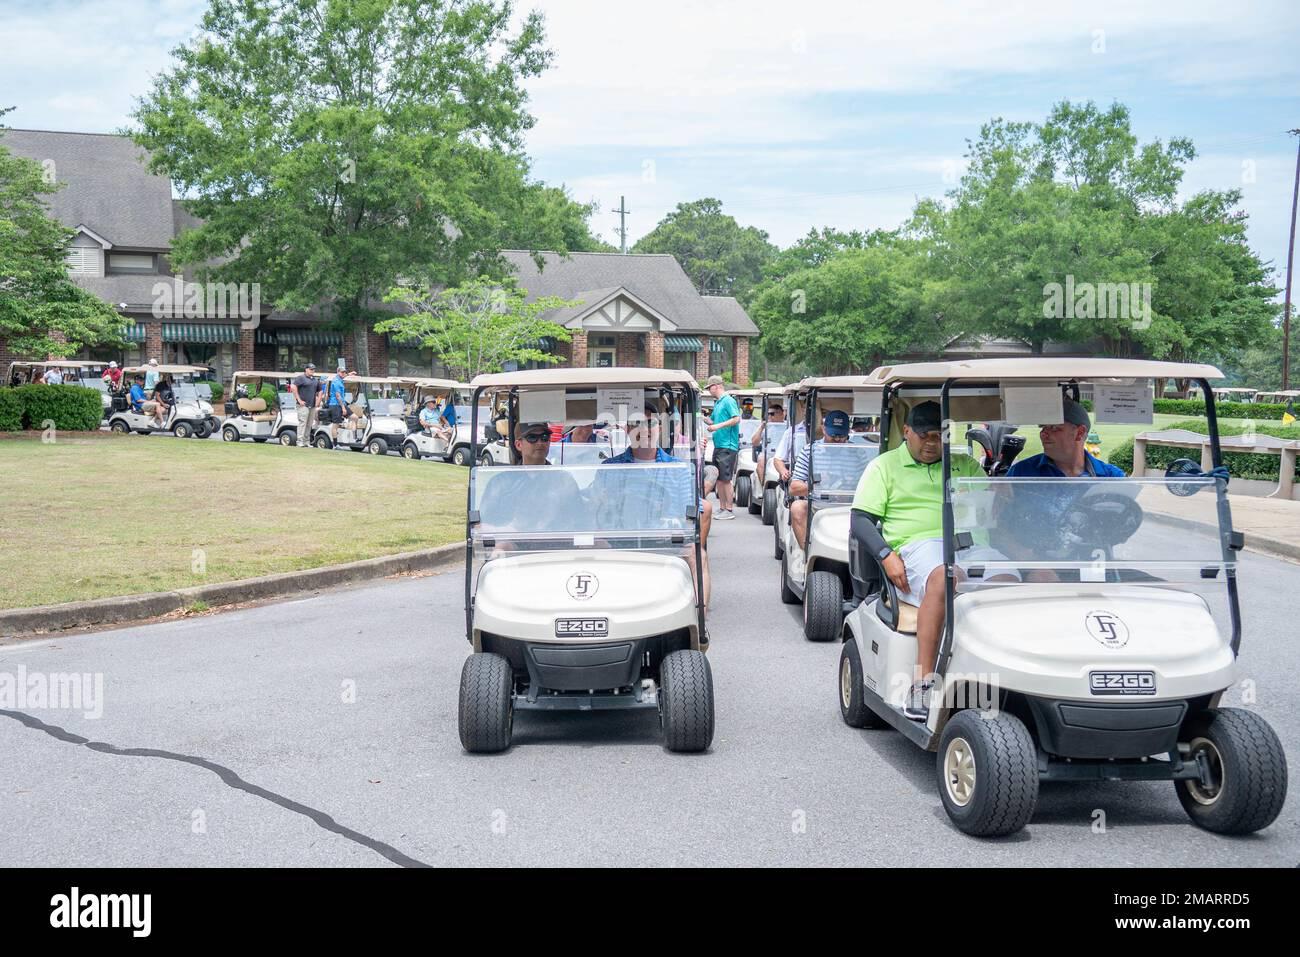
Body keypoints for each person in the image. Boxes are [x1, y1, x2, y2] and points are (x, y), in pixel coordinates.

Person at [851, 401, 1018, 721]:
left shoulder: (964, 465)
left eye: (938, 437)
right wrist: (886, 556)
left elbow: (986, 507)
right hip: (917, 548)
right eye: (924, 436)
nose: (931, 444)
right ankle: (924, 680)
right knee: (945, 577)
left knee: (1008, 583)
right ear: (906, 432)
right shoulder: (885, 466)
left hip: (971, 544)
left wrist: (1002, 492)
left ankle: (1000, 677)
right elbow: (860, 519)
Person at [603, 406, 712, 608]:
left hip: (663, 539)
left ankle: (699, 619)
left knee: (698, 554)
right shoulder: (610, 467)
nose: (644, 429)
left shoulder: (678, 468)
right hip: (620, 539)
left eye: (650, 423)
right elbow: (602, 510)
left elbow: (688, 511)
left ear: (659, 428)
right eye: (637, 424)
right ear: (628, 429)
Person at [1006, 399, 1125, 478]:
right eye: (1043, 427)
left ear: (1080, 432)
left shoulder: (1111, 477)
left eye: (1053, 427)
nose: (1043, 434)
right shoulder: (1021, 473)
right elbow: (1000, 514)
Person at [788, 410, 852, 545]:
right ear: (823, 429)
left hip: (849, 505)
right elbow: (793, 488)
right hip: (818, 504)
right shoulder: (810, 451)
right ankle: (806, 553)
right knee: (797, 508)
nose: (837, 440)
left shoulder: (857, 453)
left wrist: (849, 483)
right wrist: (818, 484)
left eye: (842, 436)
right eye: (833, 435)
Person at [704, 375, 741, 520]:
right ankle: (722, 507)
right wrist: (706, 419)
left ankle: (729, 509)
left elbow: (736, 418)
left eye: (709, 388)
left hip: (728, 445)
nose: (709, 391)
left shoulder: (728, 401)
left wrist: (717, 426)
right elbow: (713, 421)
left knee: (725, 479)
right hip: (719, 444)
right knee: (719, 478)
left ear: (717, 386)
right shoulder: (718, 403)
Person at [753, 402, 785, 490]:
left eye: (772, 414)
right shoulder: (766, 426)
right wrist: (761, 428)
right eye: (768, 414)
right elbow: (755, 442)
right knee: (761, 459)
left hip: (783, 454)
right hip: (769, 454)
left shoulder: (787, 426)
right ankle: (764, 486)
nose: (770, 416)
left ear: (782, 414)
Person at [290, 363, 323, 447]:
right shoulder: (301, 378)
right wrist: (299, 400)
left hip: (312, 405)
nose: (312, 371)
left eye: (313, 369)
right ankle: (299, 441)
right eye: (311, 369)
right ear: (306, 369)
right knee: (302, 423)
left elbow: (320, 391)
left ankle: (306, 441)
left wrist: (318, 401)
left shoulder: (315, 380)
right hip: (303, 405)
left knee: (309, 424)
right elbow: (293, 387)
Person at [323, 367, 350, 443]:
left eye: (344, 372)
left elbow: (344, 375)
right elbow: (338, 396)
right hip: (335, 405)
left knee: (354, 417)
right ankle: (335, 444)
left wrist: (350, 374)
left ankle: (352, 438)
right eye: (342, 372)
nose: (344, 374)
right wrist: (343, 408)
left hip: (342, 404)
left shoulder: (340, 380)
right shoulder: (336, 382)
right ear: (338, 372)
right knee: (335, 425)